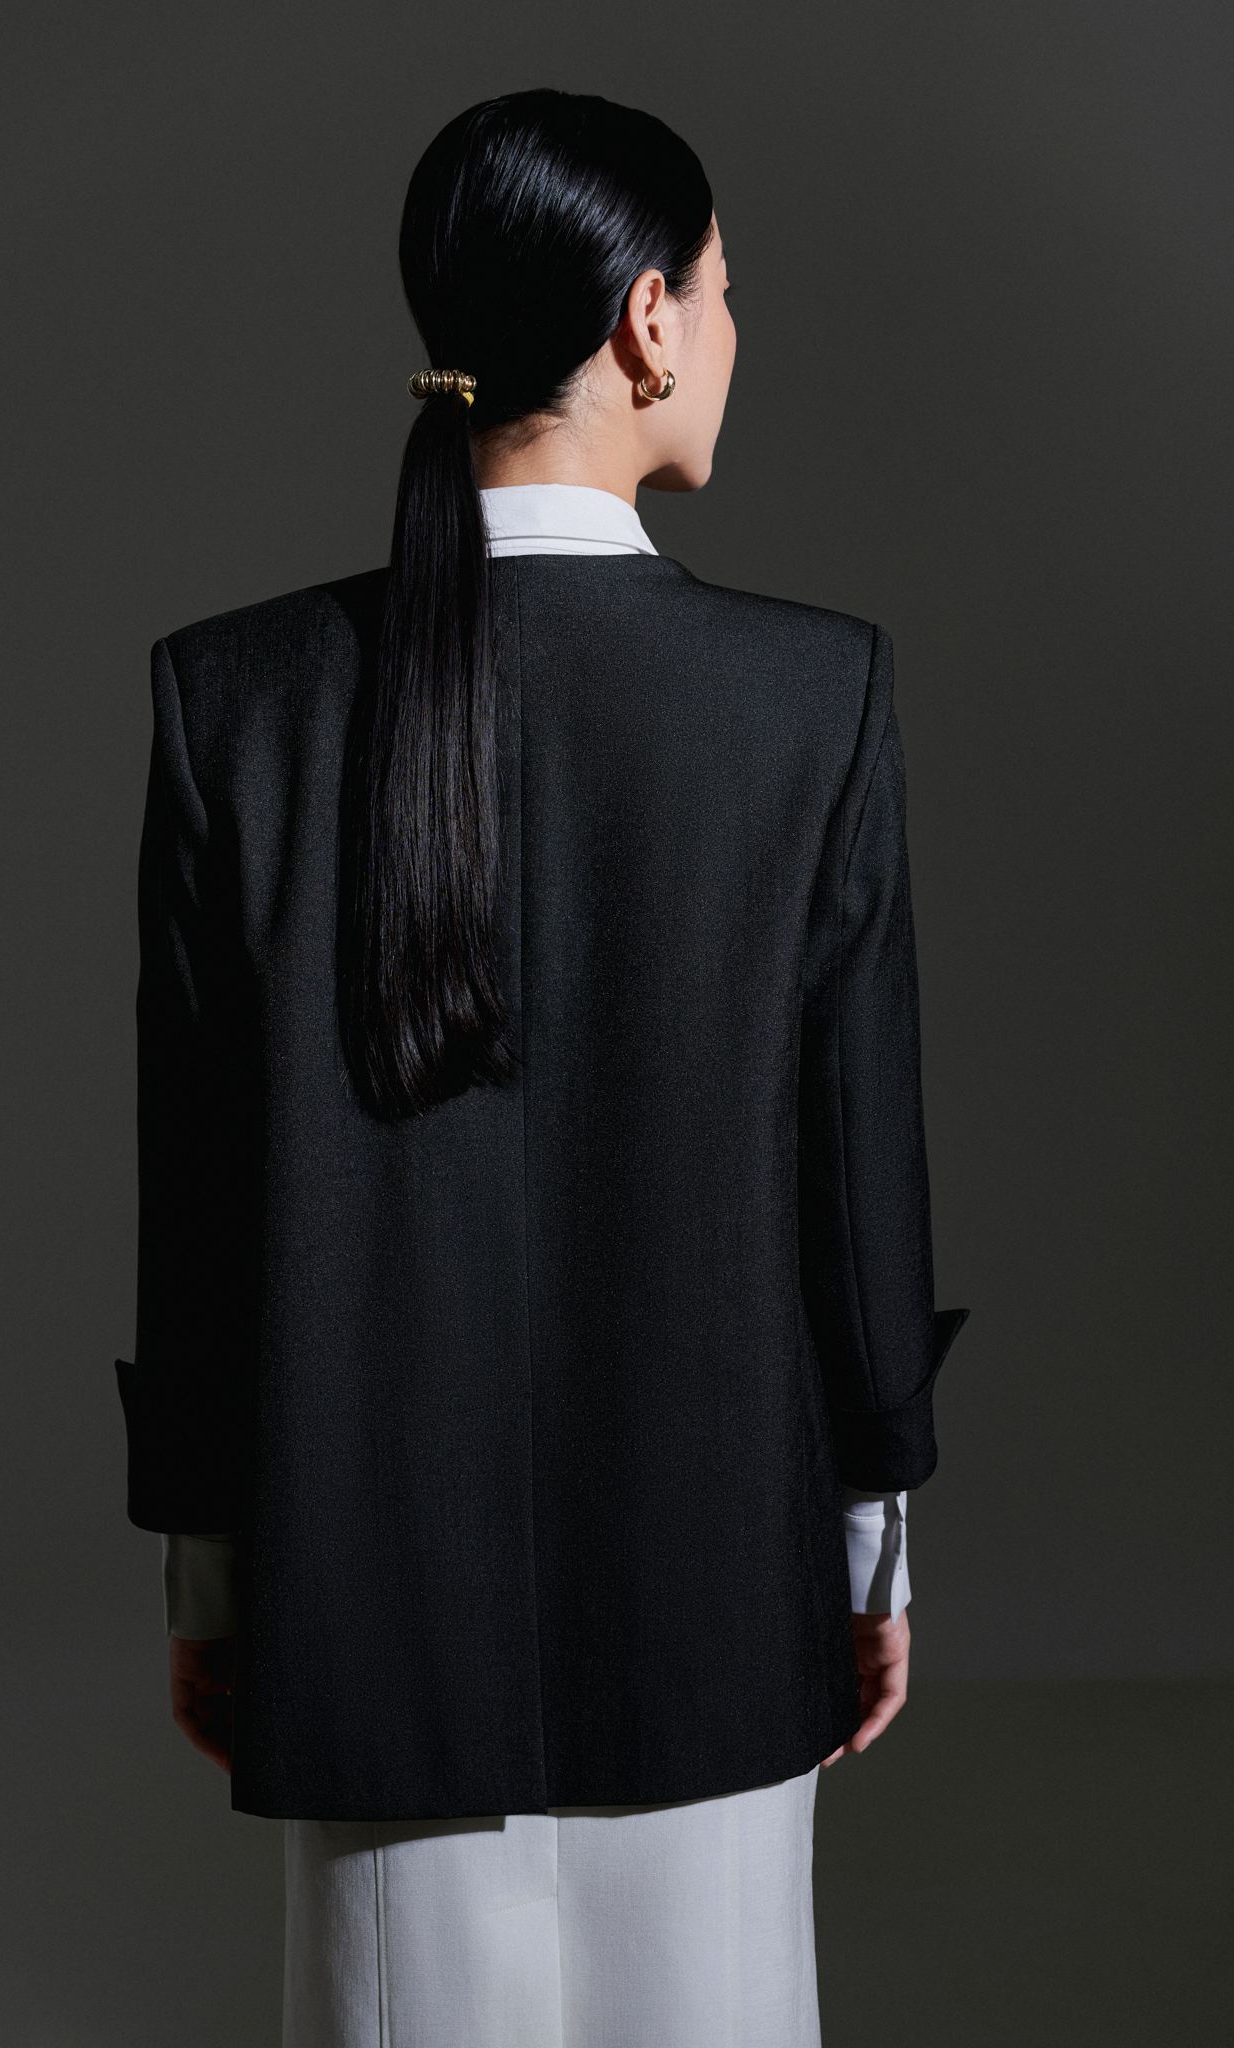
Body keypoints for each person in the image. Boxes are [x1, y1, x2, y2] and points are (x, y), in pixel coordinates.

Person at [117, 88, 966, 2048]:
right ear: (647, 321)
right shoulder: (810, 698)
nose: (732, 333)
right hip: (718, 1599)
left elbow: (202, 1208)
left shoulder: (233, 703)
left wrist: (215, 1581)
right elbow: (857, 1187)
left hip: (362, 1615)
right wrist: (870, 1549)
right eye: (724, 291)